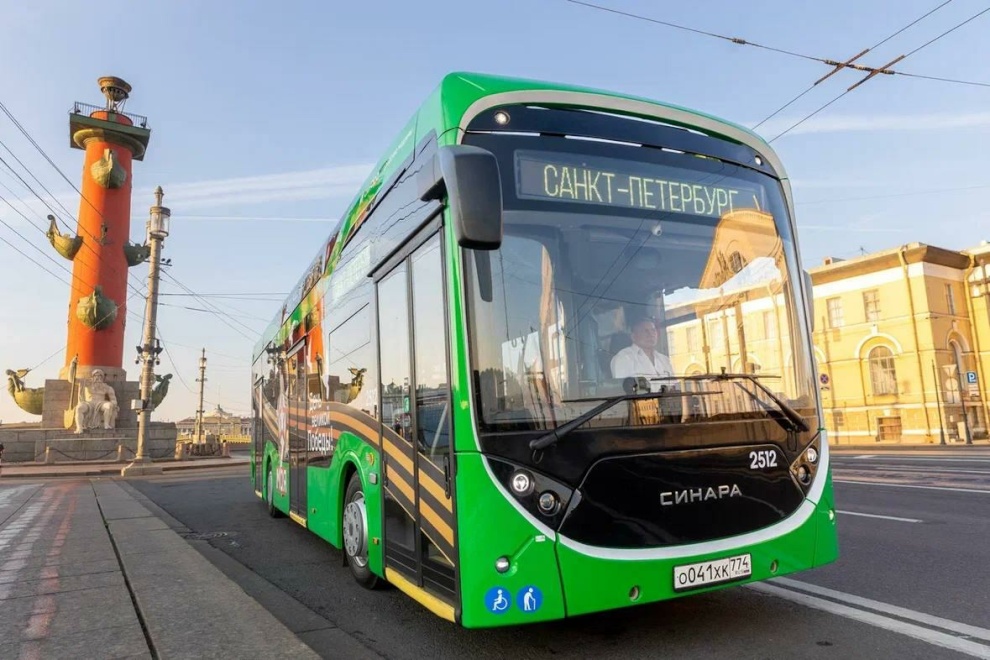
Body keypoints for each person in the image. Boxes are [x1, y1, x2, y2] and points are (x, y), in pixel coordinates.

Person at [610, 315, 675, 380]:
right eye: (645, 331)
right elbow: (621, 386)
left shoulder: (664, 360)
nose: (651, 334)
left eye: (653, 330)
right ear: (633, 336)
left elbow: (674, 384)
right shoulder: (624, 358)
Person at [73, 369, 120, 433]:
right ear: (93, 377)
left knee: (109, 406)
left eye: (100, 376)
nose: (97, 377)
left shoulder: (107, 387)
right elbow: (72, 380)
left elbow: (113, 399)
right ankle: (79, 428)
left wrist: (114, 404)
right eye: (95, 376)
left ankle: (106, 425)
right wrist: (72, 367)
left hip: (101, 403)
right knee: (79, 408)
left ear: (102, 378)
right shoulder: (87, 384)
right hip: (89, 403)